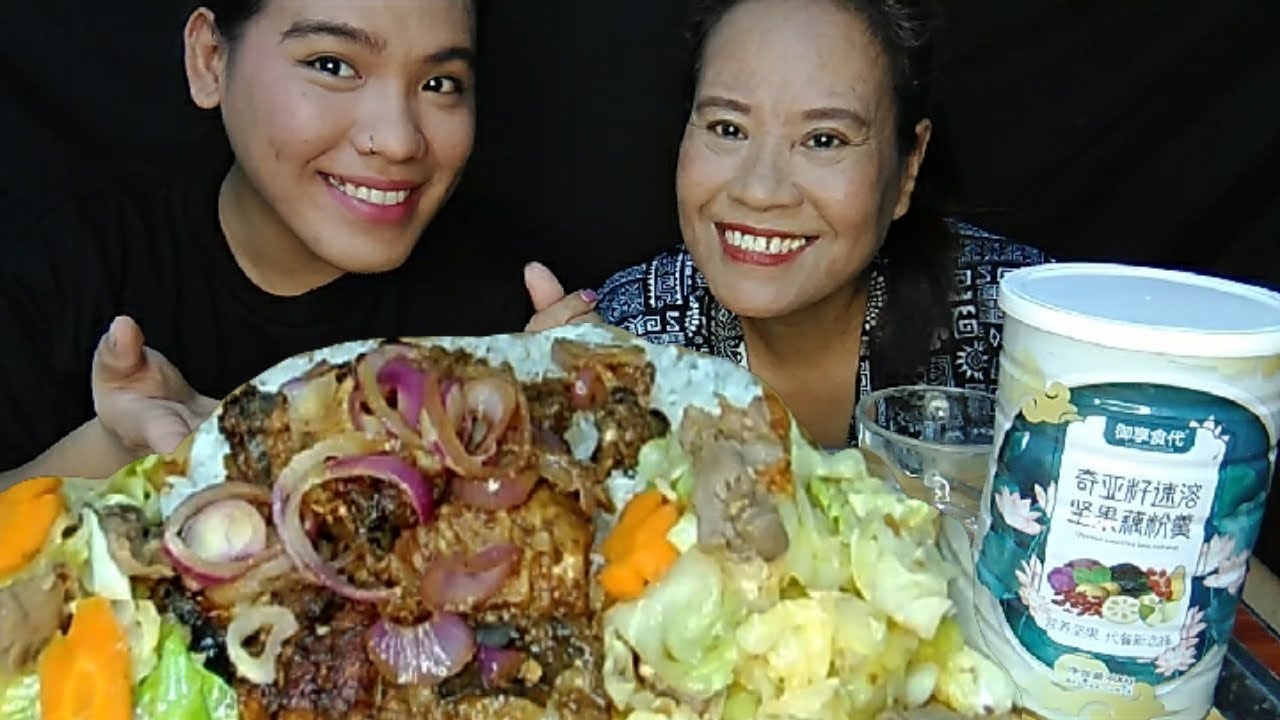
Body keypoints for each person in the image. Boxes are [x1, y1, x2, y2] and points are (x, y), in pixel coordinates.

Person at [0, 0, 597, 487]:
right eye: (333, 66)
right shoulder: (75, 260)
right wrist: (115, 448)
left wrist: (546, 434)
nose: (396, 139)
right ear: (210, 60)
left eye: (440, 83)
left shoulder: (499, 323)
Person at [595, 0, 1048, 448]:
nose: (759, 191)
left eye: (824, 140)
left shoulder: (1027, 328)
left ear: (909, 166)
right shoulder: (622, 340)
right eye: (728, 128)